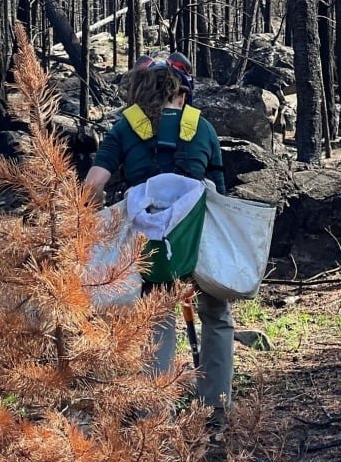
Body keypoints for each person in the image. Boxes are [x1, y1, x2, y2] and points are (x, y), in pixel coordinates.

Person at [84, 52, 233, 431]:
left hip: (150, 244)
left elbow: (92, 186)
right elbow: (219, 192)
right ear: (182, 92)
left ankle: (154, 413)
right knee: (215, 315)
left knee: (157, 319)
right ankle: (215, 409)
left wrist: (102, 222)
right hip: (197, 239)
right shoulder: (202, 128)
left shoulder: (124, 129)